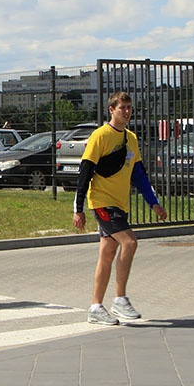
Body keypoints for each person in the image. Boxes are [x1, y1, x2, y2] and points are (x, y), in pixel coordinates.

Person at [73, 91, 167, 325]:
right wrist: (79, 208)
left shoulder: (131, 138)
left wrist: (153, 202)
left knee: (107, 253)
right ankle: (120, 299)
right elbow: (85, 172)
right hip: (102, 202)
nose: (126, 111)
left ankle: (95, 307)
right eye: (122, 107)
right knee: (130, 242)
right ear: (111, 110)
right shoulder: (100, 136)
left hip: (120, 203)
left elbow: (139, 175)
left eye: (129, 107)